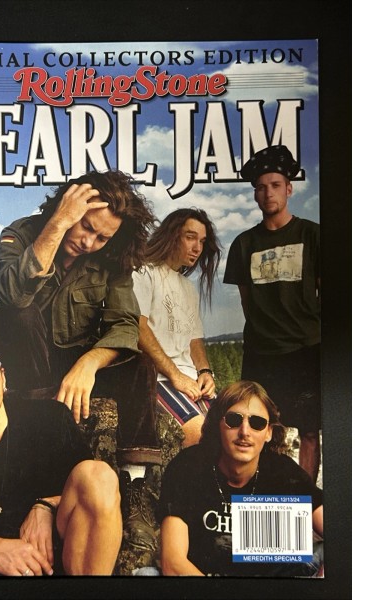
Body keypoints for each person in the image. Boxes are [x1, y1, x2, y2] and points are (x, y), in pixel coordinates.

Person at [0, 170, 162, 548]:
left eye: (102, 237)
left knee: (140, 365)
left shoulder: (112, 257)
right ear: (67, 205)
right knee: (19, 313)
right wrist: (59, 223)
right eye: (85, 226)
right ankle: (43, 457)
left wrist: (89, 363)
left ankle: (135, 485)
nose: (88, 242)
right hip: (23, 361)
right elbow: (13, 294)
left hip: (74, 358)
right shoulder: (22, 232)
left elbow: (125, 323)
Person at [0, 316, 122, 576]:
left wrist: (46, 505)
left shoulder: (49, 419)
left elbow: (98, 497)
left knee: (98, 475)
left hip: (63, 575)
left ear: (3, 379)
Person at [223, 145, 321, 482]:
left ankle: (306, 497)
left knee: (309, 429)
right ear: (255, 194)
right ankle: (264, 494)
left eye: (276, 185)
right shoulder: (243, 244)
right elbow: (247, 302)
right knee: (259, 427)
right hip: (262, 353)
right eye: (261, 187)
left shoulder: (312, 235)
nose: (268, 193)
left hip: (306, 349)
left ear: (289, 189)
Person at [157, 380, 323, 577]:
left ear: (269, 432)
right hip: (202, 580)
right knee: (147, 574)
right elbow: (173, 563)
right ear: (218, 424)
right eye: (234, 420)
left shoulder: (283, 471)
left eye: (257, 423)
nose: (245, 432)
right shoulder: (189, 466)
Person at [132, 208, 222, 447]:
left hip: (190, 380)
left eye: (202, 241)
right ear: (172, 236)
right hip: (157, 379)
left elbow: (194, 340)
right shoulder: (144, 272)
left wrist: (205, 372)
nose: (197, 248)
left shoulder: (188, 288)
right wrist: (175, 375)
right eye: (190, 237)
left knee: (229, 431)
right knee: (200, 435)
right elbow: (138, 328)